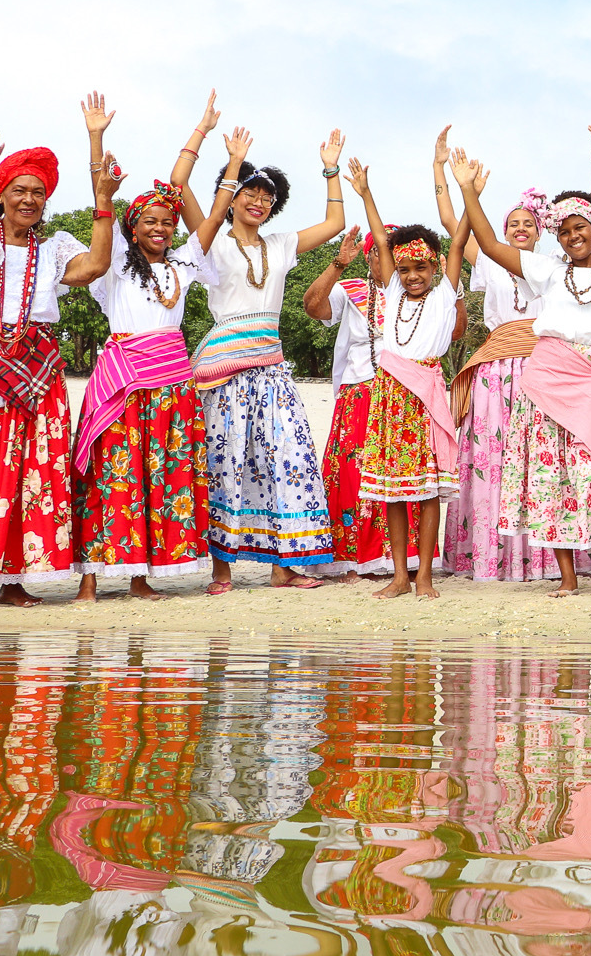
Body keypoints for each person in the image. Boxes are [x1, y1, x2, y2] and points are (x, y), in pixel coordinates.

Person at [454, 132, 591, 596]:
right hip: (548, 380)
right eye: (565, 231)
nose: (574, 236)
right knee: (550, 476)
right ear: (556, 236)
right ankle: (569, 578)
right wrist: (469, 193)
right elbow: (493, 246)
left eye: (581, 228)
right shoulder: (548, 272)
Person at [0, 103, 119, 605]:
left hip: (36, 368)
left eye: (38, 192)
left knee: (29, 468)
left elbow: (97, 265)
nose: (29, 199)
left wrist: (103, 201)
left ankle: (12, 581)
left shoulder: (53, 249)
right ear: (2, 195)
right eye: (19, 190)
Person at [188, 124, 347, 591]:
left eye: (266, 197)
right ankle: (222, 568)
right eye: (248, 193)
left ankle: (285, 565)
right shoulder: (211, 240)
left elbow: (335, 225)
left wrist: (331, 168)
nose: (258, 202)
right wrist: (232, 162)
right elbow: (181, 190)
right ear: (232, 198)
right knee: (226, 459)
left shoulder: (279, 245)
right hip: (225, 370)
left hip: (272, 366)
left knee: (287, 457)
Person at [435, 130, 583, 583]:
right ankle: (488, 556)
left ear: (543, 233)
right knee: (492, 458)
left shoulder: (555, 269)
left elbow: (587, 216)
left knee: (538, 462)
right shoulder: (489, 263)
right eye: (512, 224)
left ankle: (542, 558)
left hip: (542, 368)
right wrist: (440, 169)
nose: (520, 229)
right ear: (502, 232)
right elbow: (450, 227)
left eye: (529, 224)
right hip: (496, 371)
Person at [72, 159, 216, 599]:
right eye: (150, 222)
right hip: (122, 382)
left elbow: (210, 222)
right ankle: (89, 579)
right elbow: (103, 208)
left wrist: (222, 161)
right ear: (132, 229)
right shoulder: (114, 264)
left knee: (156, 479)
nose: (160, 229)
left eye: (167, 223)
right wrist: (97, 151)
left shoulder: (185, 266)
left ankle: (139, 578)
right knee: (109, 476)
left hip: (172, 388)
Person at [345, 157, 471, 600]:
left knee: (427, 491)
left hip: (424, 398)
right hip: (388, 397)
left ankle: (424, 577)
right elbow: (381, 240)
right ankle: (399, 576)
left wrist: (464, 189)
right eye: (404, 269)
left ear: (435, 267)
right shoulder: (392, 290)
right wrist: (364, 193)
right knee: (392, 493)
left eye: (421, 268)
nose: (412, 276)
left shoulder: (444, 294)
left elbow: (459, 241)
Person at [303, 225, 387, 581]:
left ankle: (398, 557)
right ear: (368, 257)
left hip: (404, 393)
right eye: (380, 251)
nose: (389, 260)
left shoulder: (416, 292)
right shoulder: (351, 290)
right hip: (359, 390)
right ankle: (351, 558)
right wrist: (338, 263)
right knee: (351, 474)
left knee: (397, 473)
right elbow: (312, 307)